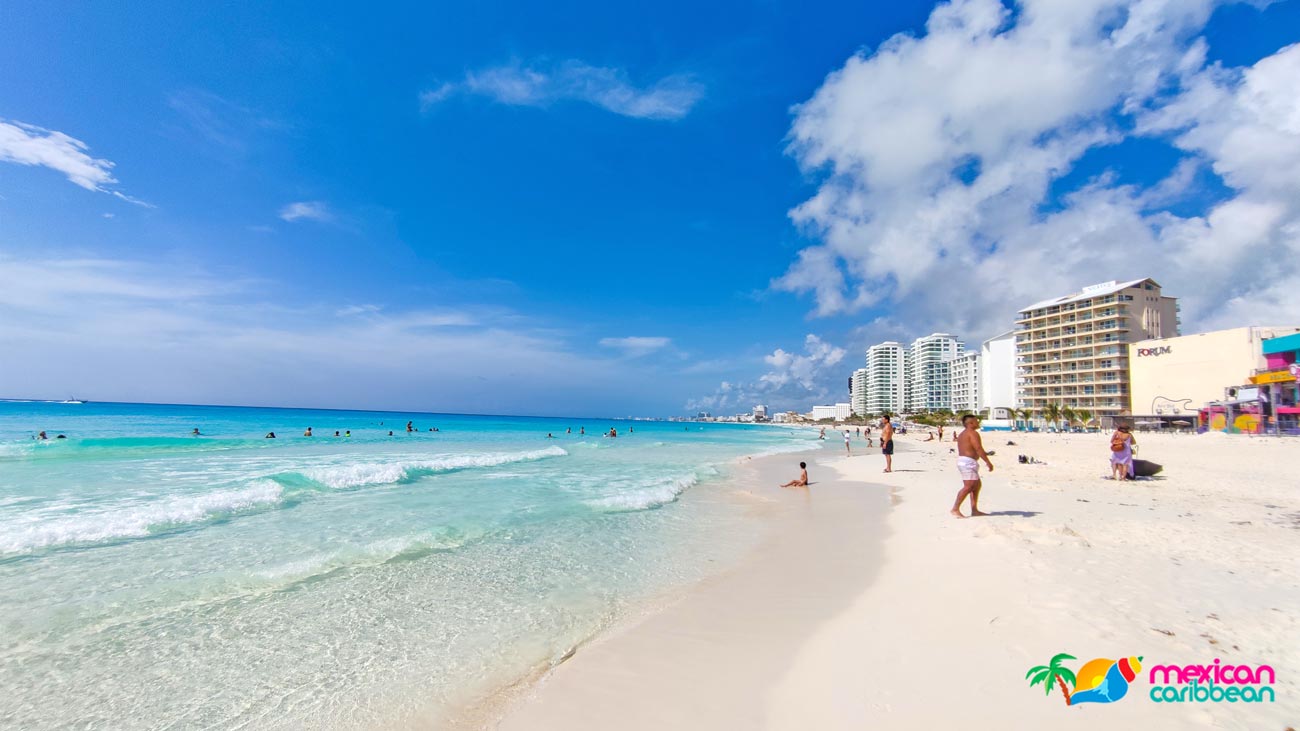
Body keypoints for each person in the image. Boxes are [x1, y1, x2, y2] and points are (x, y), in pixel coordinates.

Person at [952, 414, 994, 518]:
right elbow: (978, 448)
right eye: (976, 421)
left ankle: (974, 510)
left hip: (968, 462)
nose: (978, 423)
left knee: (976, 485)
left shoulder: (963, 434)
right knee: (969, 486)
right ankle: (955, 509)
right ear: (971, 423)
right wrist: (988, 462)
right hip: (967, 462)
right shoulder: (972, 433)